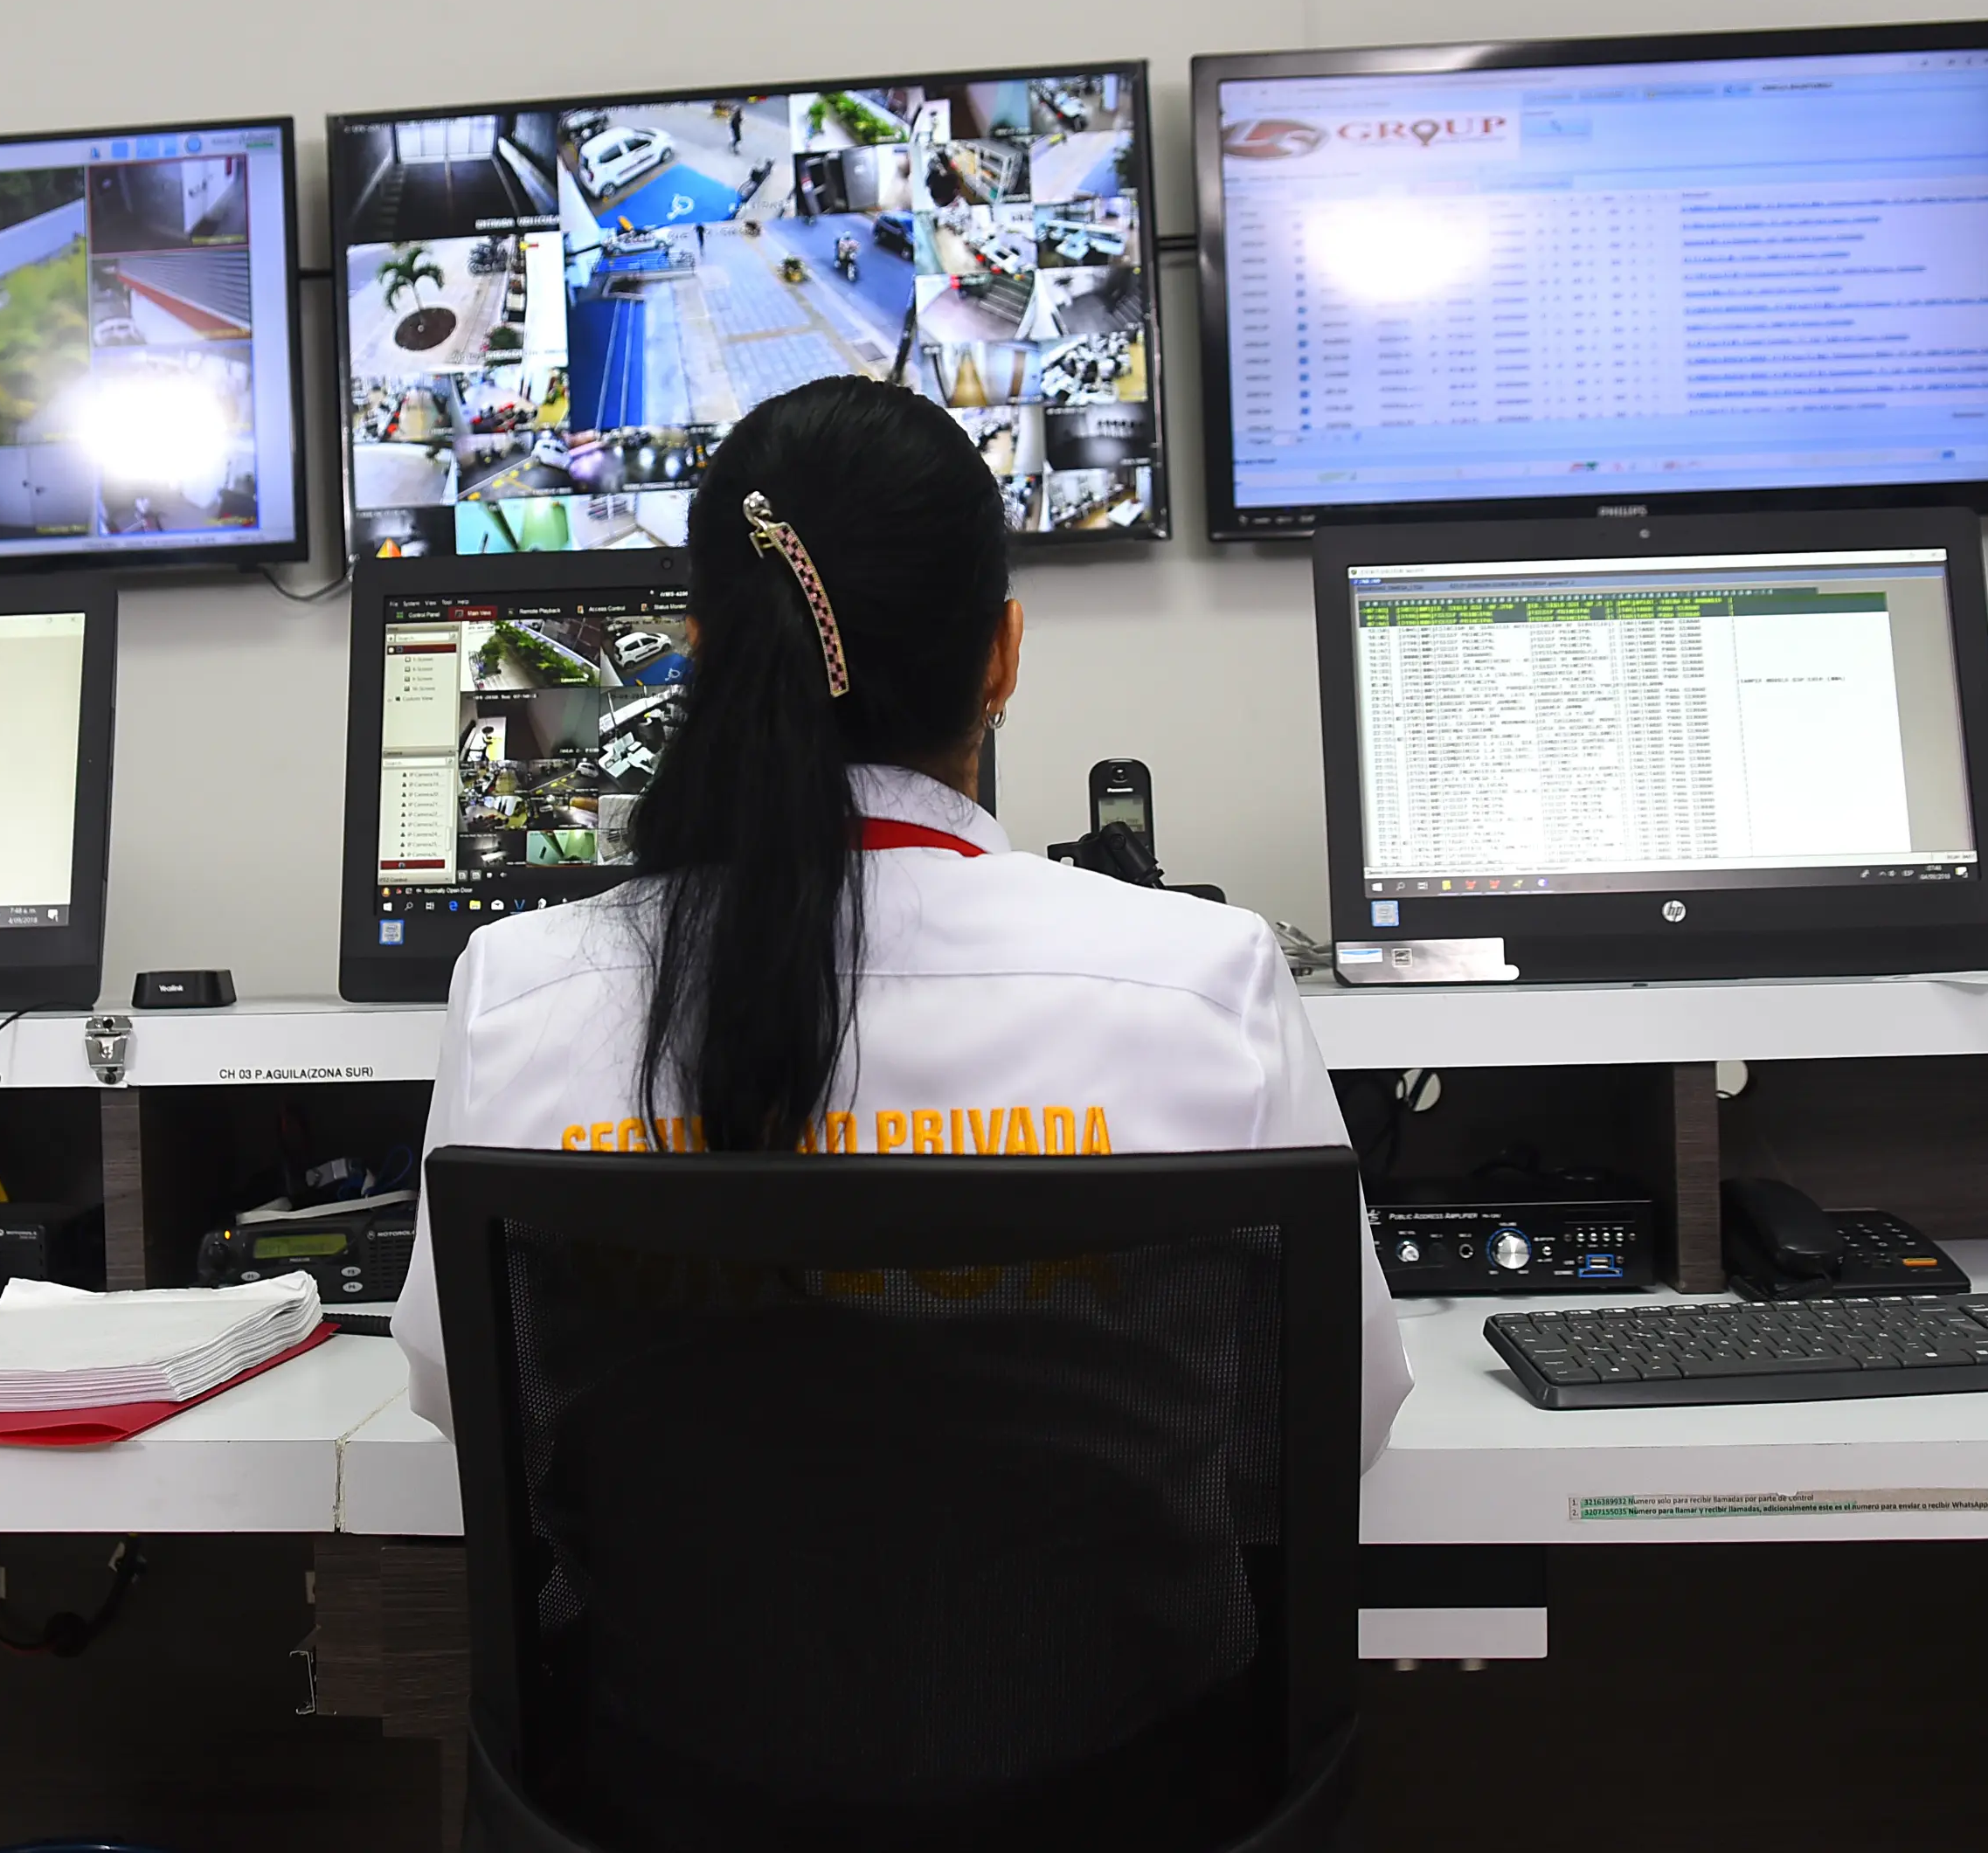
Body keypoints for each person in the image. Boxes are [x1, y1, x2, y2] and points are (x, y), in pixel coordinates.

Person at [390, 374, 1407, 1466]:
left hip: (675, 1637)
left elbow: (469, 1404)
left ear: (699, 650)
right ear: (1001, 656)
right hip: (1094, 1638)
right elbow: (1337, 1412)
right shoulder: (1209, 982)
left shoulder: (520, 990)